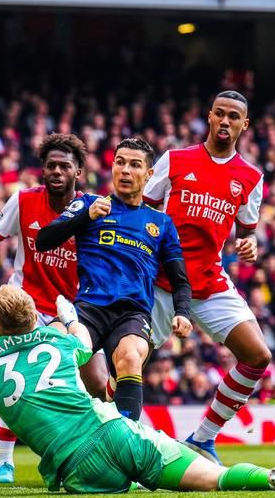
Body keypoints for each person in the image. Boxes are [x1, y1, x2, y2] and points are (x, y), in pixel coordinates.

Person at [0, 284, 275, 494]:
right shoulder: (56, 339)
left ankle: (140, 480)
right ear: (32, 316)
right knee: (214, 480)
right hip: (113, 430)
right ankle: (272, 478)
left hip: (75, 467)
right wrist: (69, 314)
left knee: (131, 491)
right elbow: (84, 343)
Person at [0, 133, 107, 484]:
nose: (57, 171)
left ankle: (107, 447)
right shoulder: (24, 200)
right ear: (43, 170)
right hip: (25, 303)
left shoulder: (93, 209)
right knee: (12, 374)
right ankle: (4, 462)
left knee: (97, 381)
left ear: (79, 171)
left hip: (73, 308)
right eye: (51, 165)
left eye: (65, 166)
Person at [143, 90, 270, 463]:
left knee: (258, 355)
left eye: (235, 116)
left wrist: (251, 244)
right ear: (210, 117)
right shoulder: (177, 160)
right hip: (161, 282)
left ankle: (202, 439)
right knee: (128, 364)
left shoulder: (250, 177)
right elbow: (142, 209)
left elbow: (247, 231)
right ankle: (105, 443)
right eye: (220, 114)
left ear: (245, 124)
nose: (226, 121)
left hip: (209, 282)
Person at [36, 137, 193, 421]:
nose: (125, 170)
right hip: (89, 308)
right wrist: (84, 217)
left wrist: (182, 312)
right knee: (51, 344)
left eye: (135, 165)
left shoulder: (161, 223)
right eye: (120, 162)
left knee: (131, 358)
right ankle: (61, 433)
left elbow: (180, 278)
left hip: (131, 314)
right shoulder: (89, 204)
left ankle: (126, 444)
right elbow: (43, 240)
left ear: (149, 174)